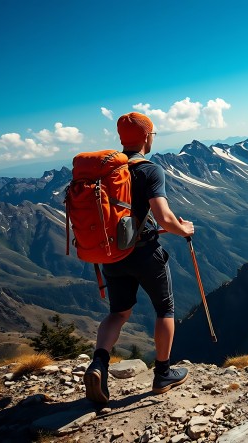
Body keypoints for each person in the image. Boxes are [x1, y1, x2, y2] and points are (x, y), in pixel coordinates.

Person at [84, 112, 195, 404]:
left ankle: (98, 364)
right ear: (146, 137)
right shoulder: (149, 170)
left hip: (112, 255)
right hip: (145, 252)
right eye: (152, 135)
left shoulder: (107, 172)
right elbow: (164, 217)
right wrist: (184, 229)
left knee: (118, 314)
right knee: (165, 309)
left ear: (122, 139)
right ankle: (163, 374)